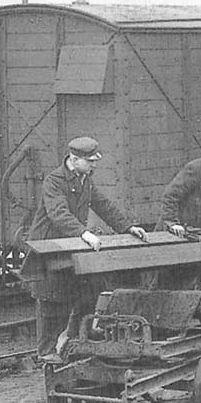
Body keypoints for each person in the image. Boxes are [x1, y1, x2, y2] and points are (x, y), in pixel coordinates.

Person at [26, 136, 148, 363]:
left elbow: (104, 205)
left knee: (91, 288)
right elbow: (58, 214)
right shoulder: (54, 181)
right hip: (49, 249)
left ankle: (80, 334)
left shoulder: (85, 179)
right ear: (74, 159)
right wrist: (84, 233)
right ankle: (46, 351)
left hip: (70, 247)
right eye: (90, 161)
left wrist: (128, 227)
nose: (94, 165)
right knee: (52, 300)